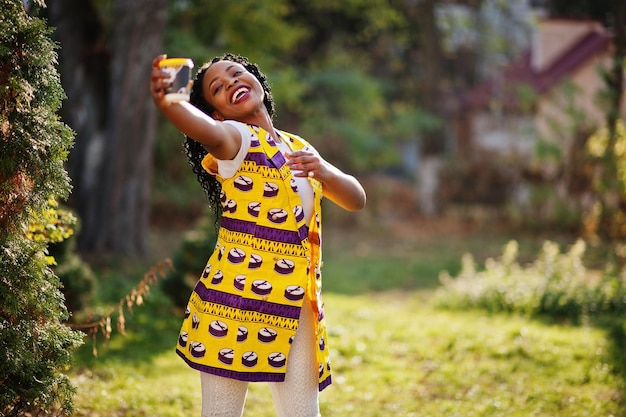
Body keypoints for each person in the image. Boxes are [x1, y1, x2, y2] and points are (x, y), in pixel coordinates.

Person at [150, 53, 366, 417]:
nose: (231, 83)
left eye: (236, 74)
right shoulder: (237, 140)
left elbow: (356, 200)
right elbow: (205, 130)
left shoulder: (298, 147)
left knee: (302, 412)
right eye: (217, 88)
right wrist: (169, 102)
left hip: (296, 305)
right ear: (217, 112)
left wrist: (326, 171)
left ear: (256, 81)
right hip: (232, 305)